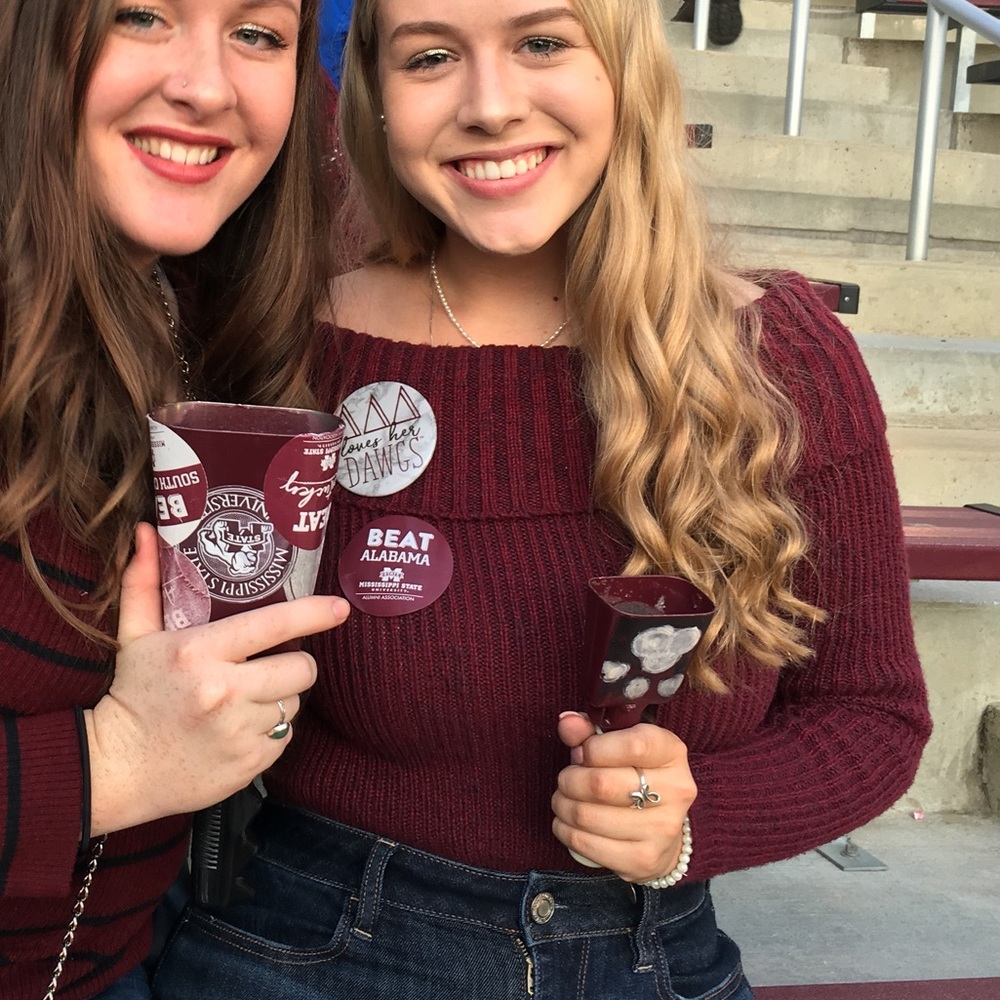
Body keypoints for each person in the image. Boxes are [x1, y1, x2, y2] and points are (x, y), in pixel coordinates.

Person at [151, 0, 932, 997]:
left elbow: (871, 712)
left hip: (655, 954)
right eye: (430, 56)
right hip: (311, 942)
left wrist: (689, 818)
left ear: (622, 68)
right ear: (377, 100)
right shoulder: (294, 345)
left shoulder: (781, 357)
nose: (490, 103)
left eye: (542, 42)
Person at [0, 1, 351, 998]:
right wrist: (111, 763)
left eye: (258, 34)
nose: (206, 85)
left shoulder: (205, 305)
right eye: (140, 14)